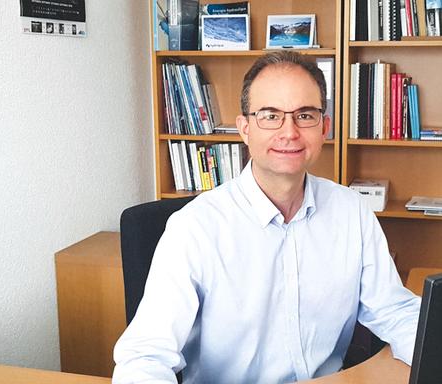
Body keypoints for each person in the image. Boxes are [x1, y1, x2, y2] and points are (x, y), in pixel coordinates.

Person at [112, 51, 420, 383]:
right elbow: (146, 356)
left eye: (305, 115)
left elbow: (395, 311)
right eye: (270, 115)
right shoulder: (195, 228)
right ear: (244, 129)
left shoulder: (351, 211)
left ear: (324, 127)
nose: (289, 132)